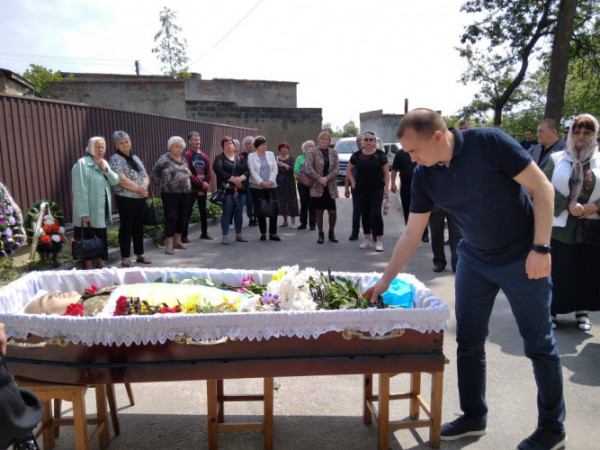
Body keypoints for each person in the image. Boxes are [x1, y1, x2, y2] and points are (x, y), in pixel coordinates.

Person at [364, 108, 566, 450]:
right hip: (474, 259)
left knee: (539, 344)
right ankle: (474, 416)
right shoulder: (425, 174)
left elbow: (542, 188)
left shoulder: (489, 142)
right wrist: (384, 281)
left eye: (414, 152)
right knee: (468, 342)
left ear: (438, 138)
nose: (410, 159)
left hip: (522, 256)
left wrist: (541, 248)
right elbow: (413, 233)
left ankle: (552, 427)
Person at [544, 113, 600, 331]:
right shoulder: (557, 159)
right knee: (559, 270)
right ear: (570, 133)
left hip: (591, 227)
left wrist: (594, 206)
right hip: (560, 226)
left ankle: (582, 312)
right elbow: (543, 187)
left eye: (587, 132)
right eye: (577, 132)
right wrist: (567, 204)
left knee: (586, 270)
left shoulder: (598, 159)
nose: (581, 136)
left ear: (594, 135)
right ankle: (552, 311)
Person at [72, 137, 119, 270]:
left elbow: (115, 181)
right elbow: (79, 189)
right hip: (88, 210)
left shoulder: (103, 163)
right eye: (97, 147)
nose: (100, 150)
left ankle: (100, 261)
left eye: (103, 147)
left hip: (100, 209)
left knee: (99, 235)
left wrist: (106, 169)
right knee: (87, 237)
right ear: (90, 147)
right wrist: (83, 212)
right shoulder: (82, 164)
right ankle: (88, 264)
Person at [109, 131, 152, 267]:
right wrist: (140, 189)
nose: (125, 144)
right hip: (126, 198)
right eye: (121, 143)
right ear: (116, 145)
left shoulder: (135, 157)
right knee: (126, 227)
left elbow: (145, 175)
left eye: (127, 141)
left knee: (138, 226)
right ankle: (125, 257)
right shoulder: (115, 159)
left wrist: (144, 187)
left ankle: (140, 254)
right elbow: (122, 180)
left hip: (140, 197)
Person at [346, 131, 389, 252]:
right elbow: (349, 170)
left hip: (377, 188)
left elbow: (386, 173)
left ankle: (379, 241)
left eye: (371, 139)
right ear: (363, 142)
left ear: (375, 142)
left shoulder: (380, 155)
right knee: (364, 213)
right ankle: (367, 240)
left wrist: (386, 189)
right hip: (362, 189)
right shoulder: (357, 155)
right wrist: (353, 183)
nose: (368, 141)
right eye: (366, 140)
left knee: (375, 213)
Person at [151, 136, 192, 255]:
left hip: (185, 192)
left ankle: (177, 241)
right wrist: (163, 185)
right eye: (176, 146)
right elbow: (154, 173)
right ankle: (168, 244)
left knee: (183, 216)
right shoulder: (164, 159)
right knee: (171, 217)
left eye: (181, 147)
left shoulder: (183, 160)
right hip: (170, 194)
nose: (179, 149)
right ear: (170, 147)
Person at [305, 131, 340, 244]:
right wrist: (320, 178)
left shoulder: (333, 152)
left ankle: (331, 232)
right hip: (317, 185)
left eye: (326, 139)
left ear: (329, 141)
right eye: (322, 138)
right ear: (318, 140)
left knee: (332, 212)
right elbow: (309, 167)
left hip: (330, 186)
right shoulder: (312, 151)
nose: (324, 141)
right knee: (319, 211)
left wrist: (327, 178)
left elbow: (336, 168)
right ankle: (320, 233)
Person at [213, 136, 249, 245]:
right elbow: (218, 170)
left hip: (240, 190)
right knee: (227, 212)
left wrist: (241, 179)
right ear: (223, 147)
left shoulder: (240, 159)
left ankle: (239, 235)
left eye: (230, 143)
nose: (229, 145)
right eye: (226, 144)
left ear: (234, 145)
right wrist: (234, 180)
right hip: (227, 191)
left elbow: (247, 171)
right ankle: (225, 236)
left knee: (239, 213)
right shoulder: (220, 158)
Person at [390, 146, 429, 243]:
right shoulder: (400, 153)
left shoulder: (422, 150)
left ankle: (424, 234)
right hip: (406, 186)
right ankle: (410, 233)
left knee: (422, 209)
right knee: (407, 209)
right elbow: (394, 169)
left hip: (421, 186)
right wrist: (393, 183)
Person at [248, 136, 281, 242]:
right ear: (257, 146)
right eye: (262, 145)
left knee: (273, 209)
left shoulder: (270, 154)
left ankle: (273, 233)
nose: (265, 146)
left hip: (271, 186)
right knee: (260, 210)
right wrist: (261, 183)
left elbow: (275, 169)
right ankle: (263, 233)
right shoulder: (251, 156)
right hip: (257, 187)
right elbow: (252, 171)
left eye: (265, 144)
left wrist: (270, 181)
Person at [183, 132, 213, 242]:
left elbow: (208, 173)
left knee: (203, 211)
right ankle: (184, 235)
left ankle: (204, 233)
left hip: (202, 189)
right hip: (191, 188)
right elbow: (189, 173)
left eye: (199, 140)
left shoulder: (204, 156)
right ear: (190, 141)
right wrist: (201, 184)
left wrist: (203, 188)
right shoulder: (188, 155)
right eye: (195, 140)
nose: (198, 142)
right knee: (187, 211)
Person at [429, 205, 462, 272]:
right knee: (436, 235)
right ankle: (439, 262)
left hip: (454, 205)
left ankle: (457, 263)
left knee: (456, 235)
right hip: (436, 204)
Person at [276, 142, 299, 228]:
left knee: (291, 202)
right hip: (279, 183)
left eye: (286, 148)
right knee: (282, 202)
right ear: (280, 149)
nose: (284, 149)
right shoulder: (276, 158)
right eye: (282, 147)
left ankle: (293, 222)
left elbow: (293, 170)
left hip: (289, 183)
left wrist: (285, 165)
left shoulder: (291, 159)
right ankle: (285, 221)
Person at [294, 140, 316, 230]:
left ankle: (312, 224)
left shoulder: (316, 157)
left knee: (312, 204)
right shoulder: (300, 158)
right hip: (302, 183)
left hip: (313, 184)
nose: (311, 148)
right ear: (304, 148)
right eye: (309, 146)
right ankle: (303, 223)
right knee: (303, 203)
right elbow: (295, 170)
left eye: (313, 146)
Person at [345, 134, 363, 240]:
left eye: (361, 140)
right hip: (356, 189)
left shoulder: (375, 154)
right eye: (357, 141)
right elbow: (348, 171)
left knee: (372, 211)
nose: (359, 142)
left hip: (371, 189)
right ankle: (355, 232)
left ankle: (373, 233)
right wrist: (347, 187)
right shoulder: (355, 156)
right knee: (356, 211)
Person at [240, 136, 256, 227]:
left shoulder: (257, 155)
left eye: (252, 144)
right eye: (248, 144)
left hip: (257, 181)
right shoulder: (242, 156)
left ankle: (256, 217)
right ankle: (251, 218)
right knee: (249, 201)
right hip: (247, 181)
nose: (250, 146)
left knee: (257, 201)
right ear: (245, 145)